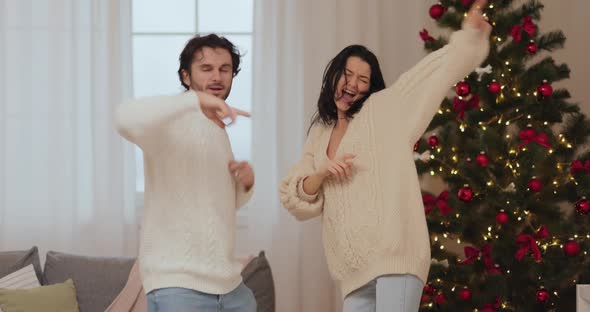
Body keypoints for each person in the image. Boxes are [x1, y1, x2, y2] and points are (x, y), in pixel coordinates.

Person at [279, 1, 492, 311]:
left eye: (362, 80)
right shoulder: (319, 134)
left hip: (396, 260)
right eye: (347, 74)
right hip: (352, 273)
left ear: (369, 89)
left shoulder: (385, 109)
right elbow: (297, 199)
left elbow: (435, 74)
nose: (351, 84)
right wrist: (323, 172)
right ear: (334, 75)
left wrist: (469, 36)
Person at [116, 34, 256, 312]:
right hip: (179, 287)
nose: (217, 76)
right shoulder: (170, 122)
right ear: (186, 76)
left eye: (224, 69)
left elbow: (218, 205)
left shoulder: (219, 130)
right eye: (206, 68)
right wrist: (193, 102)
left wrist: (244, 185)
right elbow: (124, 116)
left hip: (230, 289)